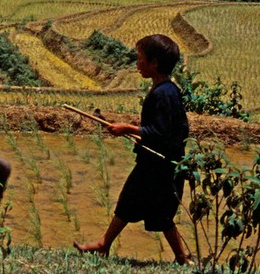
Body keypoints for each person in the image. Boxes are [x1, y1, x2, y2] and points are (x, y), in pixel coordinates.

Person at [75, 34, 191, 265]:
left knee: (160, 213)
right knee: (129, 202)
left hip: (161, 167)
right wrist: (141, 139)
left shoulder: (164, 94)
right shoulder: (163, 90)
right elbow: (160, 133)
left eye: (140, 59)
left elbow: (162, 132)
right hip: (152, 162)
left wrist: (129, 128)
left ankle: (181, 257)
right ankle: (104, 244)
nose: (136, 63)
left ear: (154, 63)